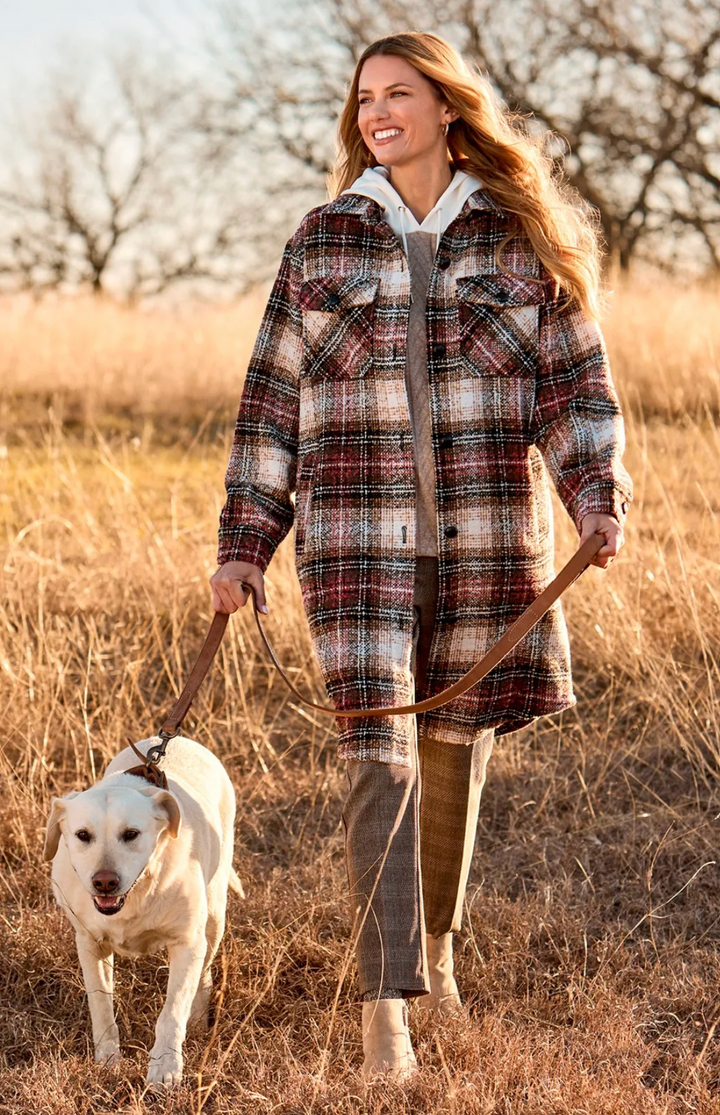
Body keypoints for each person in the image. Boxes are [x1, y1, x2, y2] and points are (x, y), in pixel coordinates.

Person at [210, 31, 632, 1082]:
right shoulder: (322, 243)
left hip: (491, 537)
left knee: (454, 750)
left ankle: (434, 950)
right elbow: (271, 404)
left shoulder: (518, 239)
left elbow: (576, 390)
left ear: (448, 108)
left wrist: (597, 497)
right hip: (356, 545)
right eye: (364, 99)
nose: (376, 114)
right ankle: (385, 1006)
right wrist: (246, 542)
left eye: (398, 95)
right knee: (379, 759)